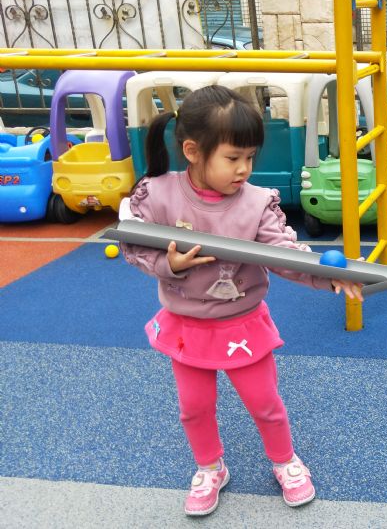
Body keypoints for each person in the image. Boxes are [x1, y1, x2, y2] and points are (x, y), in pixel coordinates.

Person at [118, 85, 364, 517]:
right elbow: (132, 245)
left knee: (264, 402)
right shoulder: (158, 195)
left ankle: (285, 461)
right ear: (193, 151)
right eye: (233, 158)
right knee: (194, 408)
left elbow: (285, 255)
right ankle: (210, 467)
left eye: (250, 157)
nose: (244, 169)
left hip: (241, 324)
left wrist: (328, 276)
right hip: (187, 325)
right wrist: (168, 265)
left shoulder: (255, 203)